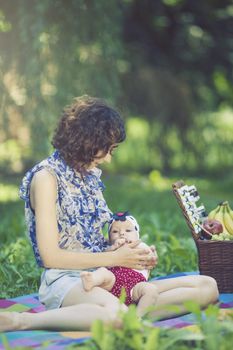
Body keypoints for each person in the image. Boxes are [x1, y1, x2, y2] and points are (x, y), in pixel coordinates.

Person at [0, 95, 219, 332]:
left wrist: (132, 252)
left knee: (208, 287)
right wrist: (116, 259)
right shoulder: (46, 178)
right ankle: (23, 321)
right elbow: (50, 257)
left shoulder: (88, 175)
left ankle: (111, 315)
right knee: (119, 316)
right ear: (88, 140)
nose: (109, 158)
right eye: (109, 149)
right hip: (67, 281)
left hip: (107, 276)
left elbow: (90, 242)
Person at [81, 211, 159, 317]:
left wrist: (151, 255)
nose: (122, 234)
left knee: (151, 290)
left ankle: (137, 316)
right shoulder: (111, 248)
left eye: (128, 230)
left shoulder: (141, 246)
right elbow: (103, 260)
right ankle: (91, 279)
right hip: (112, 282)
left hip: (135, 287)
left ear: (137, 235)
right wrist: (112, 249)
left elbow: (149, 258)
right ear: (109, 238)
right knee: (103, 273)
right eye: (115, 231)